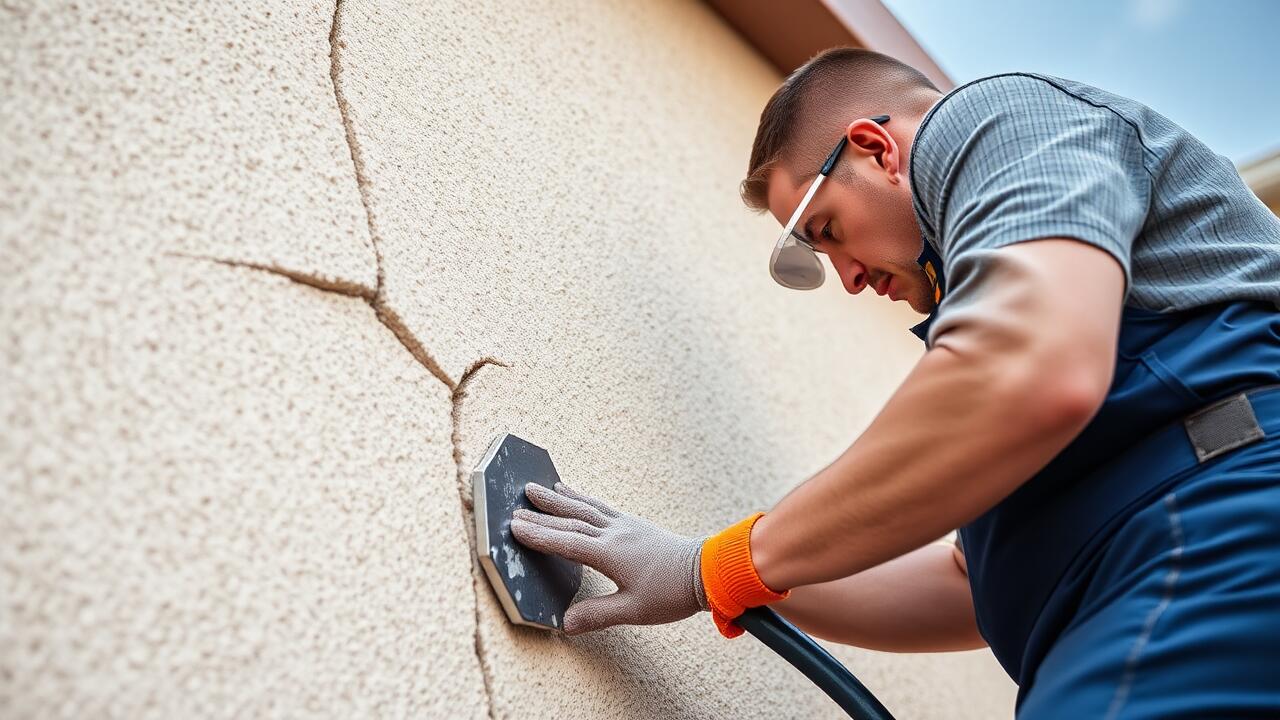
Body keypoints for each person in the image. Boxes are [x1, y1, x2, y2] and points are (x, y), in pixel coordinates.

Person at [510, 48, 1280, 717]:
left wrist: (725, 563)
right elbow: (963, 585)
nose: (844, 280)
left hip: (1219, 532)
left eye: (826, 231)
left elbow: (1026, 373)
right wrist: (705, 571)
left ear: (877, 148)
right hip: (1146, 583)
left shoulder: (993, 116)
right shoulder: (997, 311)